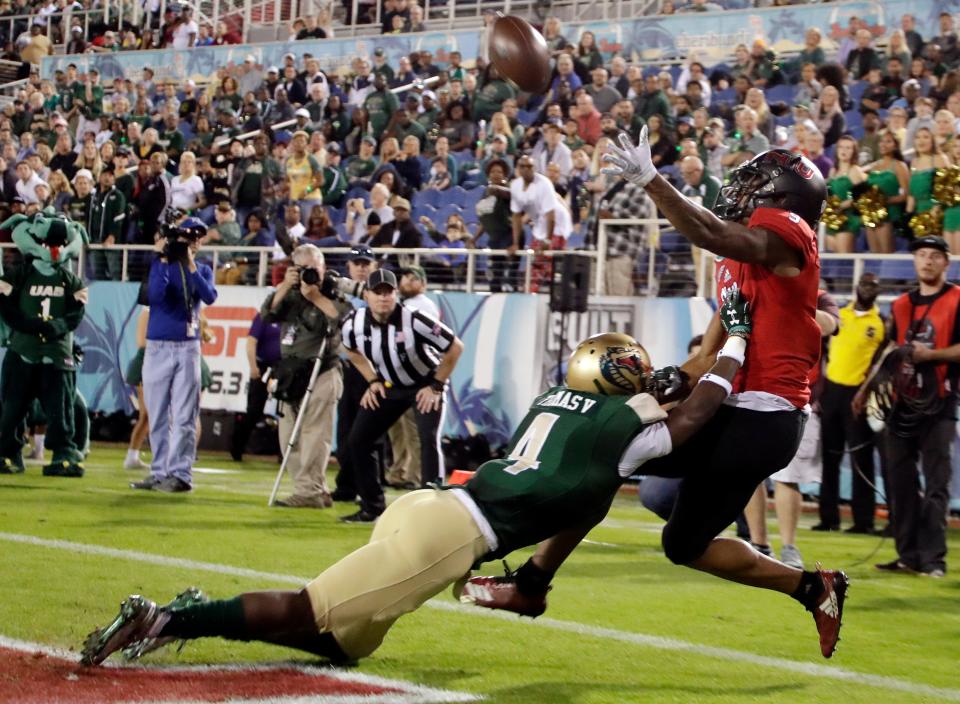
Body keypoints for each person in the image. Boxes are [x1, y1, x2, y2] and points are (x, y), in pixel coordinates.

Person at [80, 299, 759, 668]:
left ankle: (205, 611)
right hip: (450, 536)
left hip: (432, 509)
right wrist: (737, 345)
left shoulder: (557, 399)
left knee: (341, 643)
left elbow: (639, 400)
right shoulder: (628, 425)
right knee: (307, 609)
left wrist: (671, 375)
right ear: (626, 381)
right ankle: (170, 617)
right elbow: (695, 412)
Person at [467, 129, 848, 661]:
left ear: (783, 199)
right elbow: (705, 357)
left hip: (764, 415)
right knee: (682, 545)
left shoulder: (785, 233)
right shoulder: (736, 263)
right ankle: (813, 588)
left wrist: (652, 181)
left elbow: (714, 233)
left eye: (755, 183)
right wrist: (665, 379)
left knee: (607, 458)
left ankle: (530, 583)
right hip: (743, 411)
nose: (740, 189)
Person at [853, 236, 960, 578]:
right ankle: (908, 555)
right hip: (902, 405)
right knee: (899, 481)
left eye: (934, 256)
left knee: (936, 484)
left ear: (946, 262)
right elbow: (890, 353)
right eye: (921, 256)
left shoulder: (958, 300)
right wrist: (865, 389)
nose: (927, 261)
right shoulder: (900, 304)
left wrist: (932, 356)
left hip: (939, 403)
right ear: (914, 262)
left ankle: (933, 560)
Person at [338, 269, 463, 522]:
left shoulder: (415, 319)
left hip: (424, 384)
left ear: (396, 295)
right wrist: (372, 380)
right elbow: (351, 350)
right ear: (367, 295)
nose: (383, 298)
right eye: (377, 292)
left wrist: (436, 385)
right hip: (389, 385)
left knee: (428, 439)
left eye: (388, 292)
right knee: (359, 440)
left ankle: (432, 511)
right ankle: (372, 507)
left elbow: (455, 347)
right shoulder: (354, 322)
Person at [261, 244, 351, 508]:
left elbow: (344, 318)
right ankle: (314, 488)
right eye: (303, 269)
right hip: (291, 374)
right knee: (289, 434)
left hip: (321, 371)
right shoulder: (289, 295)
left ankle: (308, 491)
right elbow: (267, 315)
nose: (310, 274)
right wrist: (285, 286)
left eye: (314, 268)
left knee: (315, 434)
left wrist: (315, 298)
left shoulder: (332, 292)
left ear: (323, 268)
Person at [130, 224, 217, 493]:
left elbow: (209, 296)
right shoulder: (161, 264)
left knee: (184, 415)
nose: (192, 244)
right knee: (156, 414)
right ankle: (159, 472)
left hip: (187, 347)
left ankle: (180, 474)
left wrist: (189, 264)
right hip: (157, 347)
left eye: (196, 240)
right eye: (187, 239)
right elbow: (155, 296)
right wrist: (162, 259)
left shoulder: (202, 269)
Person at [815, 273, 883, 533]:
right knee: (829, 458)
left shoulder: (880, 323)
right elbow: (822, 352)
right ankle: (828, 518)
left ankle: (863, 521)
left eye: (873, 285)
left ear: (878, 291)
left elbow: (879, 365)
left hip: (858, 396)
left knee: (860, 459)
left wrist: (867, 393)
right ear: (856, 287)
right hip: (832, 392)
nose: (868, 288)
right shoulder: (838, 315)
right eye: (865, 284)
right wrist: (820, 389)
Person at [384, 264, 439, 489]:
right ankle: (400, 471)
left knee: (414, 429)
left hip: (416, 375)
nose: (405, 281)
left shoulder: (422, 305)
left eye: (412, 278)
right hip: (398, 375)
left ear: (423, 284)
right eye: (404, 277)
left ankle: (414, 475)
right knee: (397, 428)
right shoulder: (404, 304)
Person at [330, 246, 378, 504]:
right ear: (349, 266)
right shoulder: (340, 293)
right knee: (345, 429)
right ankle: (346, 485)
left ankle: (368, 485)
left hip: (370, 369)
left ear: (374, 265)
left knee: (368, 430)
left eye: (366, 263)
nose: (361, 267)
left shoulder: (379, 292)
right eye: (357, 263)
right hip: (347, 366)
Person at [230, 312, 282, 462]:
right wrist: (253, 366)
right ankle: (237, 447)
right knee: (254, 409)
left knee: (285, 411)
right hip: (263, 366)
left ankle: (283, 452)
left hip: (284, 367)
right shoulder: (264, 317)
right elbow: (251, 341)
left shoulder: (291, 318)